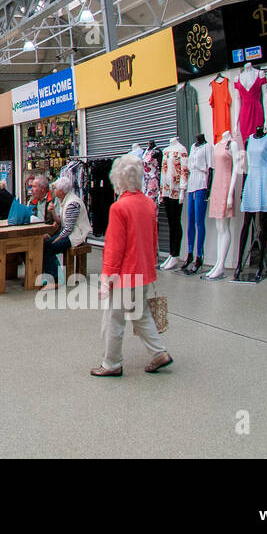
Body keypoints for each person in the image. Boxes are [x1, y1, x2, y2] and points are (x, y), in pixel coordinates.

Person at [90, 155, 171, 377]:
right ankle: (158, 352)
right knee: (140, 313)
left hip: (124, 275)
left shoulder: (119, 208)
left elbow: (114, 248)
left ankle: (111, 363)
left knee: (113, 320)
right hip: (143, 271)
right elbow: (153, 239)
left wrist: (107, 279)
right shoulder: (148, 204)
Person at [42, 174, 92, 288]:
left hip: (76, 235)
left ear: (62, 191)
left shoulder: (72, 203)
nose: (54, 190)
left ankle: (54, 280)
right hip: (70, 233)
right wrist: (53, 212)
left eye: (56, 189)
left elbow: (68, 228)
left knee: (48, 247)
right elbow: (60, 221)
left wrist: (56, 239)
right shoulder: (65, 200)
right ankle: (50, 277)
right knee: (45, 245)